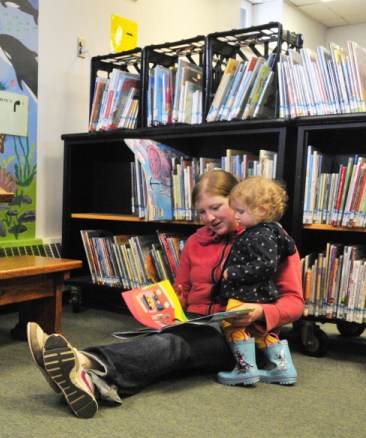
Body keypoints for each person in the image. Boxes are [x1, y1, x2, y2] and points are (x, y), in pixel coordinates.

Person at [27, 170, 304, 419]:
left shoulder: (267, 241)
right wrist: (170, 302)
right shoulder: (195, 242)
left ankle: (81, 360)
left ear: (235, 203)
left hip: (240, 334)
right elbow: (181, 291)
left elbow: (294, 303)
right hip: (194, 322)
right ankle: (91, 382)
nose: (209, 218)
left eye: (216, 207)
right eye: (201, 212)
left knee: (173, 346)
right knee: (163, 343)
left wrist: (261, 313)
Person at [217, 176, 298, 386]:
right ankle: (284, 368)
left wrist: (232, 273)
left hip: (246, 293)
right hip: (262, 294)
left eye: (241, 212)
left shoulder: (257, 235)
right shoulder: (276, 231)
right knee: (259, 330)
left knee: (230, 324)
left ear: (261, 210)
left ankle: (245, 369)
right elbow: (288, 249)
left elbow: (266, 266)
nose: (236, 216)